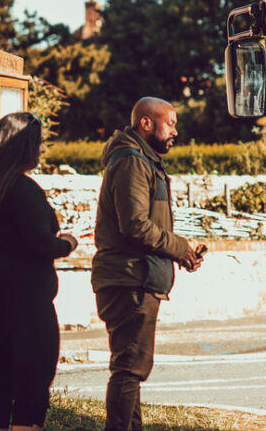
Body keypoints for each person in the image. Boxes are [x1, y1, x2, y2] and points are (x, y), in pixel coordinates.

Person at [0, 112, 79, 431]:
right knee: (30, 391)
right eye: (38, 143)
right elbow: (41, 243)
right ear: (24, 146)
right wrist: (67, 242)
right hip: (24, 311)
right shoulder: (24, 190)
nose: (42, 150)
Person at [91, 97, 203, 431]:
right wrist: (179, 247)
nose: (175, 131)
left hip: (135, 277)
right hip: (130, 280)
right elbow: (136, 225)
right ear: (145, 123)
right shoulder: (131, 161)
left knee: (131, 369)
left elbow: (144, 224)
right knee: (129, 369)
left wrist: (178, 252)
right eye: (170, 123)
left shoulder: (140, 160)